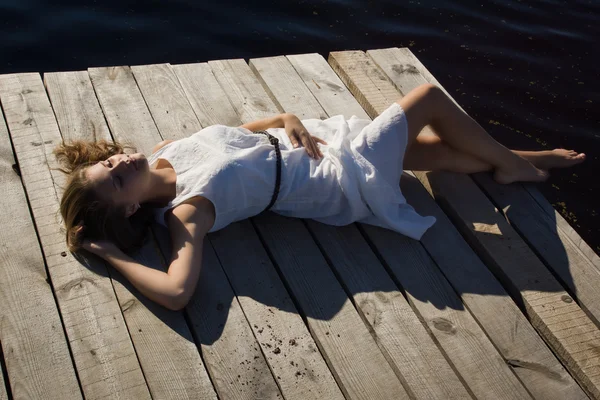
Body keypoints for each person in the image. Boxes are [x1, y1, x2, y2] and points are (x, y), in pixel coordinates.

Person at [55, 84, 586, 311]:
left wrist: (286, 119)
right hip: (338, 184)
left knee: (435, 153)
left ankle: (525, 161)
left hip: (318, 140)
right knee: (425, 99)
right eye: (116, 178)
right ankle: (519, 165)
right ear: (128, 208)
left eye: (108, 163)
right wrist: (109, 254)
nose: (120, 162)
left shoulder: (165, 150)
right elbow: (175, 292)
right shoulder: (189, 211)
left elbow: (244, 129)